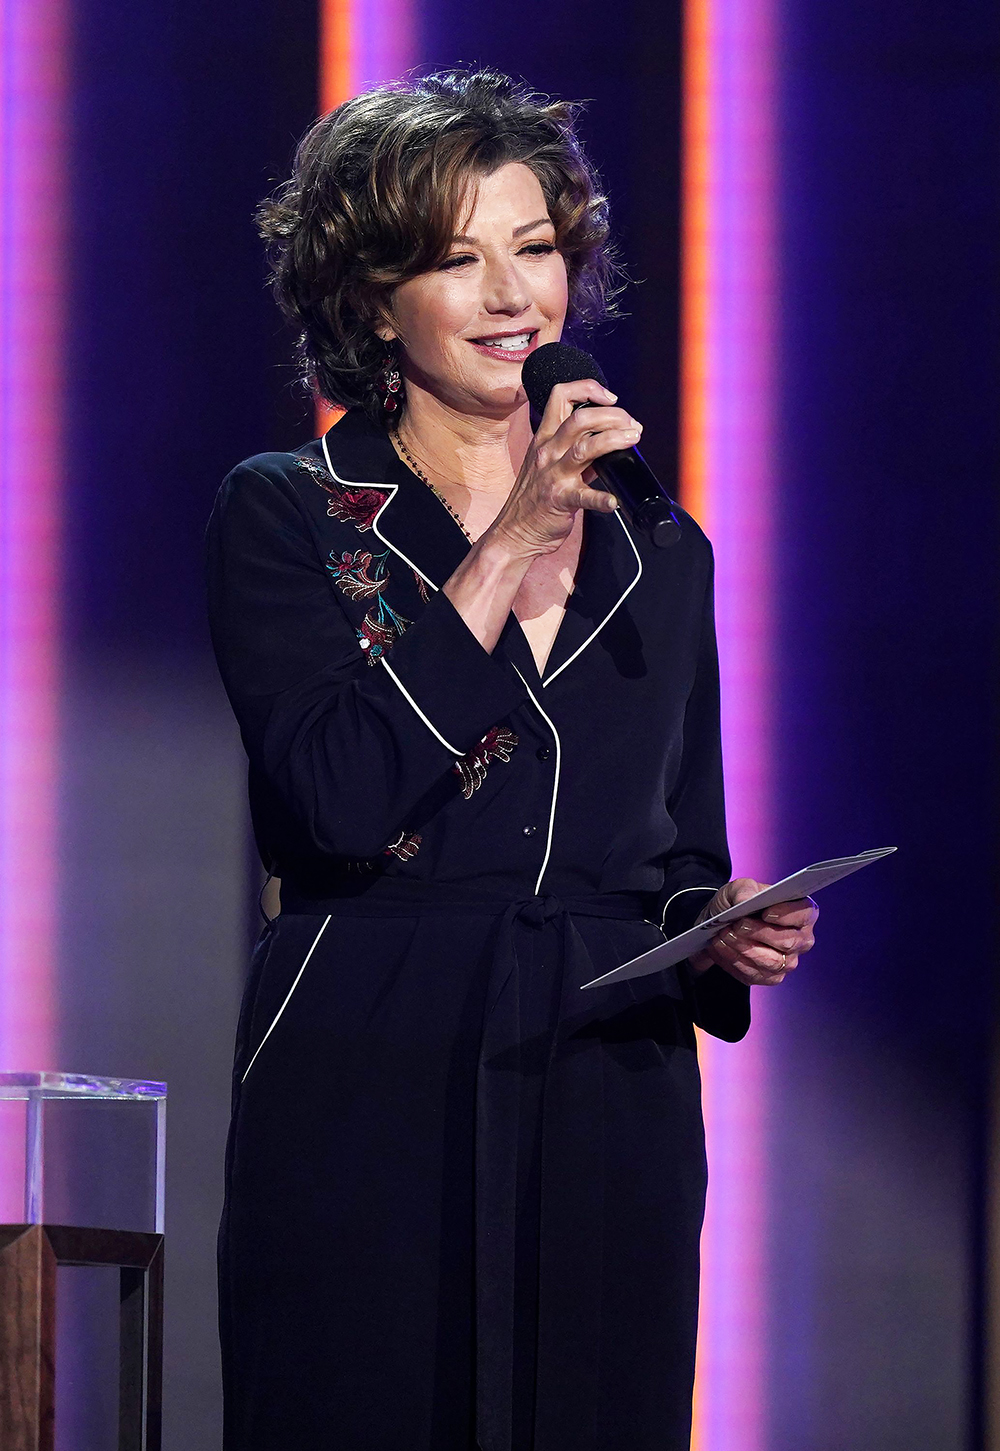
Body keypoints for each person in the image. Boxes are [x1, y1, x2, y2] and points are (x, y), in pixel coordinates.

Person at [207, 68, 818, 1451]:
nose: (511, 297)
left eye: (534, 248)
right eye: (454, 258)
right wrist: (501, 550)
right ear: (373, 300)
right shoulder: (293, 513)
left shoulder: (660, 547)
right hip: (374, 1053)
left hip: (605, 1076)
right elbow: (335, 799)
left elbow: (676, 855)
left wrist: (717, 935)